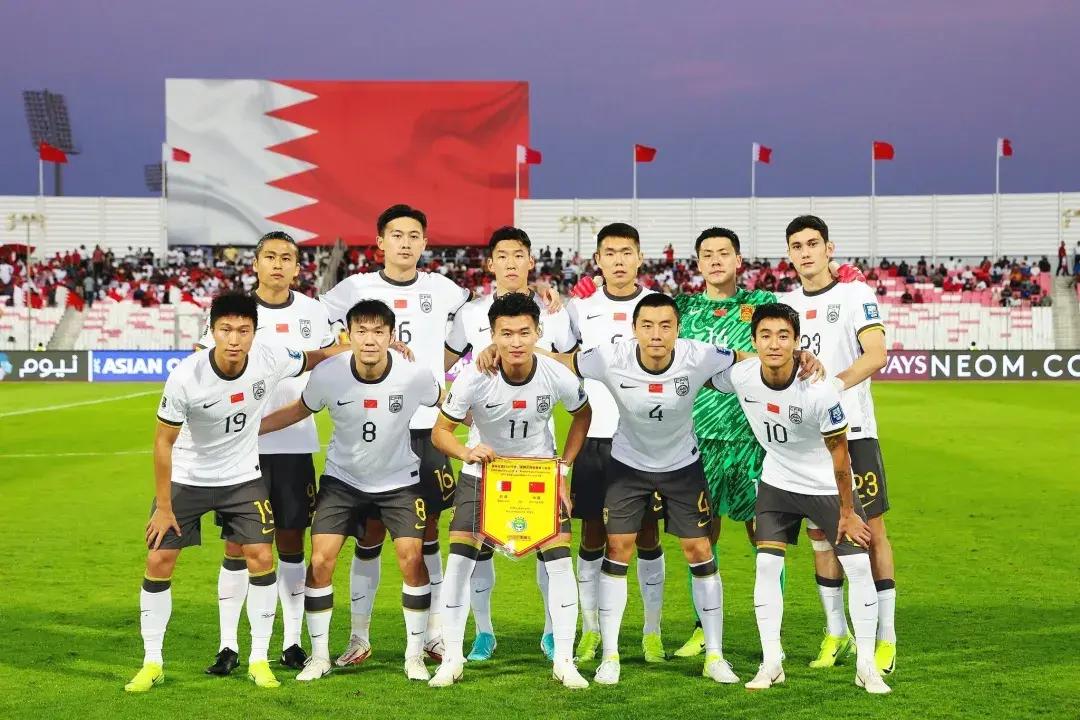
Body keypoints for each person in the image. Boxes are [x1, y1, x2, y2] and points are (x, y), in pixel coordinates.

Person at [507, 294, 824, 685]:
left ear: (677, 329)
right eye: (647, 326)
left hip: (682, 467)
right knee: (617, 551)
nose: (656, 335)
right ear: (634, 330)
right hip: (627, 466)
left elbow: (747, 358)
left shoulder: (698, 354)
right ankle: (610, 656)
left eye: (665, 326)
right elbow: (562, 360)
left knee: (700, 551)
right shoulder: (610, 357)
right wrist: (504, 350)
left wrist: (798, 357)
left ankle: (714, 655)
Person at [124, 292, 347, 693]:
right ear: (211, 332)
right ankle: (152, 662)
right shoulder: (186, 376)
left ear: (254, 333)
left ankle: (259, 659)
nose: (234, 339)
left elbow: (313, 358)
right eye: (225, 329)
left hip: (242, 479)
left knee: (261, 556)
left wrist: (356, 347)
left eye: (243, 330)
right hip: (189, 478)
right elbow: (162, 442)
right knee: (159, 559)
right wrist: (164, 506)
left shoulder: (269, 358)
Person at [258, 299, 443, 682]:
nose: (370, 339)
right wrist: (251, 429)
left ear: (391, 336)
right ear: (350, 335)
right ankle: (319, 657)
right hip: (342, 483)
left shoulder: (414, 375)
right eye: (362, 331)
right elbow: (298, 410)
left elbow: (453, 404)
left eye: (378, 331)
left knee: (412, 559)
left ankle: (414, 657)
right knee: (320, 561)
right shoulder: (329, 374)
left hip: (399, 482)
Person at [318, 204, 471, 665]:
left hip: (426, 430)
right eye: (396, 234)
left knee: (428, 535)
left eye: (413, 235)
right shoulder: (354, 288)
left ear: (425, 242)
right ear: (380, 241)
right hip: (376, 431)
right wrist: (356, 347)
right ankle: (358, 637)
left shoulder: (445, 289)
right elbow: (322, 327)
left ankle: (435, 635)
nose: (405, 243)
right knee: (368, 535)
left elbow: (474, 333)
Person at [710, 303, 890, 695]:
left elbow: (840, 455)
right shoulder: (742, 375)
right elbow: (703, 373)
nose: (774, 344)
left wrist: (848, 512)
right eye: (765, 336)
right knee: (766, 566)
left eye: (783, 336)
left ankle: (866, 666)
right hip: (777, 483)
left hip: (826, 487)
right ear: (754, 341)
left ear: (796, 342)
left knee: (858, 568)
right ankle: (771, 662)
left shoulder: (818, 390)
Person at [429, 292, 593, 689]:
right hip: (482, 477)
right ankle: (451, 658)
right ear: (493, 335)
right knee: (460, 563)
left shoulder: (555, 374)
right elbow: (440, 432)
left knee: (559, 564)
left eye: (523, 332)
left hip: (538, 478)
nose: (515, 342)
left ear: (538, 332)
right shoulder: (474, 376)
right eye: (506, 333)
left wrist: (564, 467)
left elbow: (583, 414)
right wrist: (466, 452)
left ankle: (565, 661)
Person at [197, 232, 337, 676]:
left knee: (291, 542)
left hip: (294, 445)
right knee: (237, 545)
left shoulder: (313, 312)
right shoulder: (235, 313)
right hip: (240, 451)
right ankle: (228, 645)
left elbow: (331, 359)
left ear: (297, 267)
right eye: (270, 257)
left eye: (287, 258)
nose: (278, 264)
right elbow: (205, 364)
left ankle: (292, 642)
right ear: (255, 263)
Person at [443, 226, 576, 662]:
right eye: (503, 255)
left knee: (547, 548)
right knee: (477, 550)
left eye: (519, 255)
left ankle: (553, 633)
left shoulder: (555, 310)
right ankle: (483, 632)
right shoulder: (471, 314)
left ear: (530, 261)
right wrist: (471, 369)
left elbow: (572, 365)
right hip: (487, 452)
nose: (511, 263)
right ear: (491, 263)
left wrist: (533, 354)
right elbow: (445, 363)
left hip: (538, 455)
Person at [781, 215, 897, 675]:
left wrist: (836, 383)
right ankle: (836, 632)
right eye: (797, 246)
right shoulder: (784, 303)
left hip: (854, 431)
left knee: (872, 532)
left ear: (829, 249)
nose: (805, 252)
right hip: (805, 438)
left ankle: (886, 637)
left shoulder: (855, 293)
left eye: (813, 243)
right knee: (819, 535)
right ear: (789, 255)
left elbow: (877, 353)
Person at [668, 227, 776, 658]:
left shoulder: (763, 304)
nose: (716, 260)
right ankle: (703, 628)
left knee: (765, 538)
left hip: (754, 440)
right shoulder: (683, 308)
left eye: (724, 253)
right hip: (698, 441)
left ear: (738, 260)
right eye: (707, 254)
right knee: (701, 536)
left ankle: (770, 631)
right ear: (697, 263)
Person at [563, 223, 666, 664]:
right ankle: (591, 630)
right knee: (592, 535)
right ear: (598, 260)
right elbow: (558, 354)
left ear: (640, 257)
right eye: (610, 252)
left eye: (627, 252)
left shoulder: (659, 305)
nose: (619, 260)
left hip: (648, 441)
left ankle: (651, 632)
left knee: (647, 536)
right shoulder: (580, 307)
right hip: (596, 438)